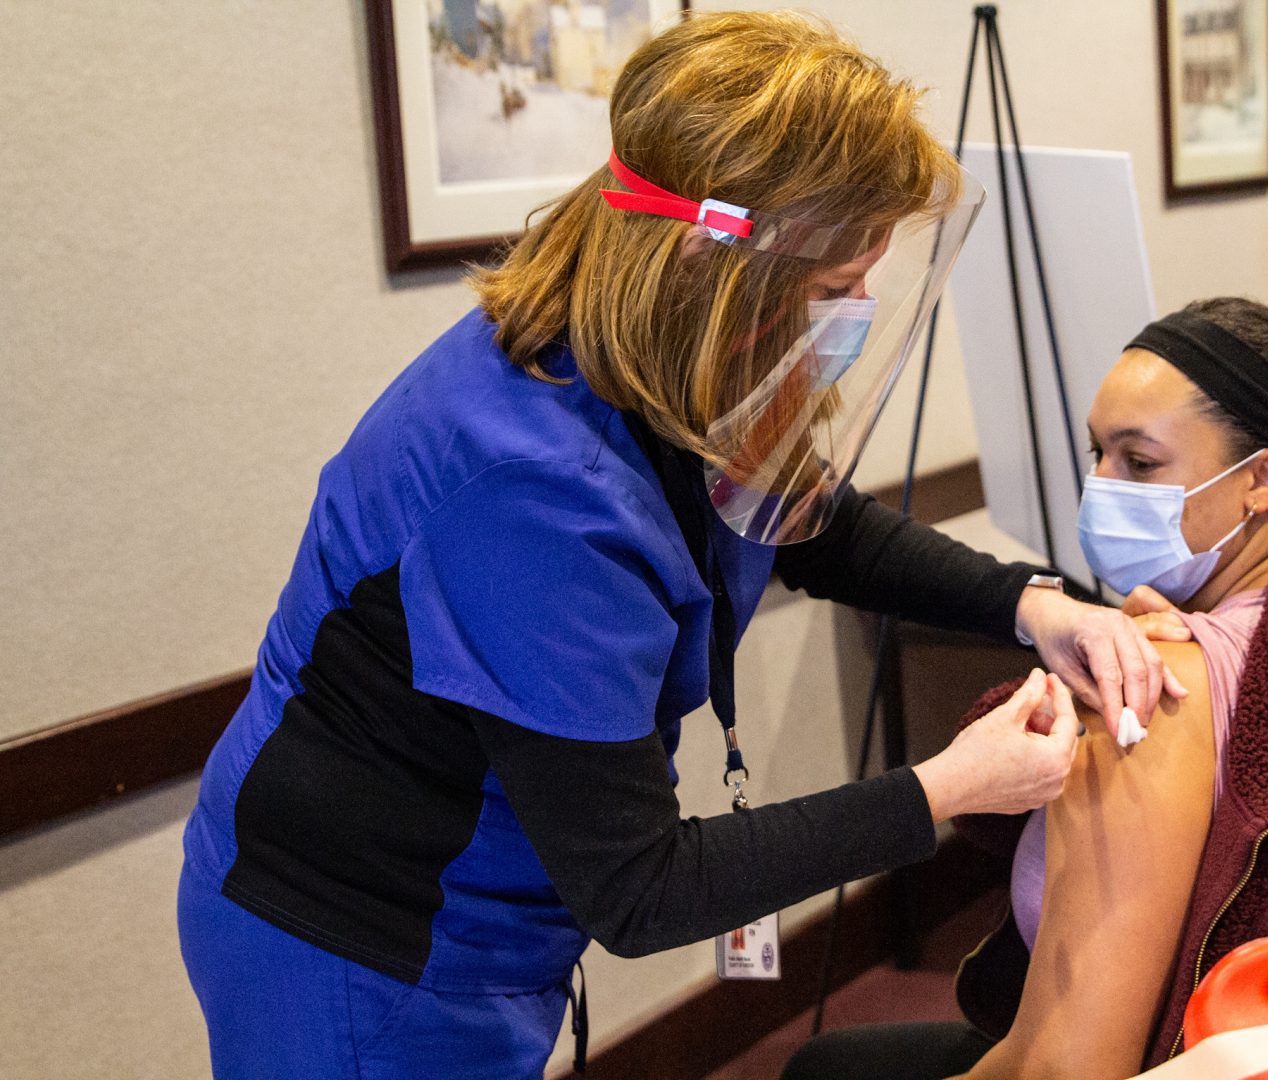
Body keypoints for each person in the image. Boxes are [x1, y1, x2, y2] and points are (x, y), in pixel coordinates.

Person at [175, 13, 1184, 1077]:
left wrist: (1029, 604)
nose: (857, 314)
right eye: (835, 291)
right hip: (357, 950)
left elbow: (805, 517)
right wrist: (943, 787)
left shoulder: (674, 358)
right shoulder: (534, 492)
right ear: (716, 263)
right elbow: (642, 889)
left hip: (489, 918)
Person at [783, 298, 1268, 1080]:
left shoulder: (1155, 694)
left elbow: (1067, 1068)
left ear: (1266, 477)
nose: (1101, 487)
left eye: (1139, 462)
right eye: (1096, 453)